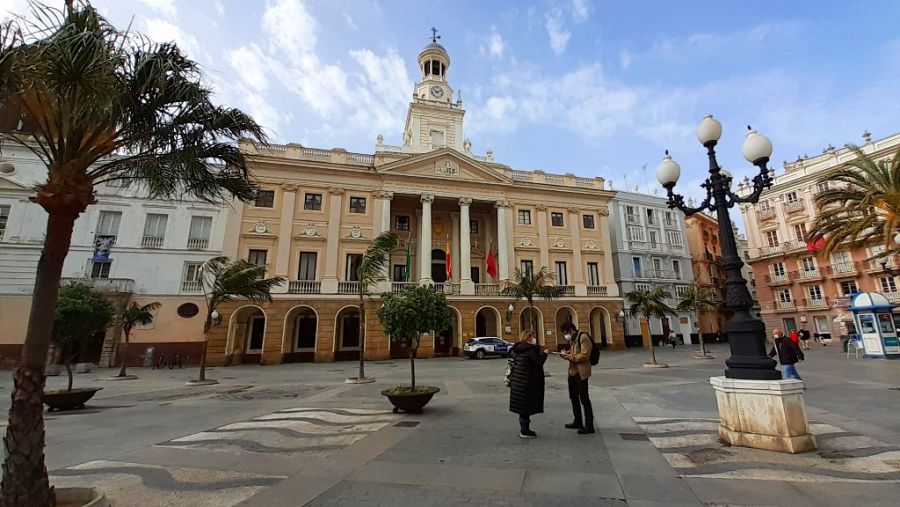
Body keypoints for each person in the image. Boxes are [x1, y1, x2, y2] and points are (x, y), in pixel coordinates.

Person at [508, 330, 547, 439]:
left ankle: (524, 430)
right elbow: (538, 362)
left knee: (522, 408)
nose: (534, 338)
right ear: (529, 337)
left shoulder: (517, 348)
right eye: (532, 336)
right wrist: (544, 354)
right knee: (526, 408)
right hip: (526, 382)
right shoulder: (530, 350)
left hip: (517, 382)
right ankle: (525, 431)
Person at [560, 322, 594, 435]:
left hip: (581, 372)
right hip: (572, 372)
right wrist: (566, 353)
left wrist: (570, 357)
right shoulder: (573, 339)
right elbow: (574, 351)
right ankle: (578, 421)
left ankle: (589, 425)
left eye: (566, 333)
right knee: (573, 397)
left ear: (571, 330)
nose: (566, 336)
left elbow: (584, 355)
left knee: (584, 398)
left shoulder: (583, 337)